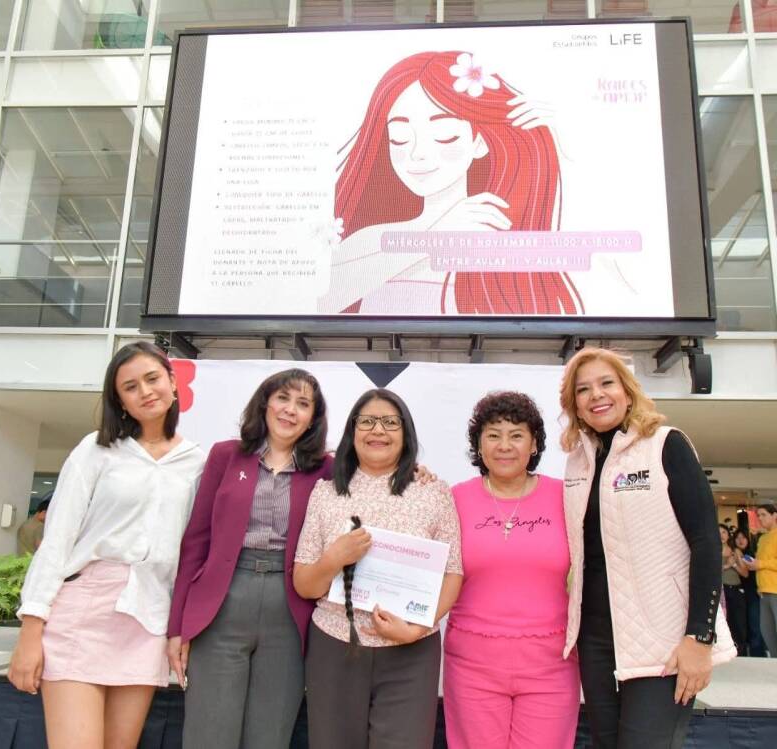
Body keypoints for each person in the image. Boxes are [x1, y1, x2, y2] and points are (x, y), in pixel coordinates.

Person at [8, 341, 205, 749]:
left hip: (148, 617)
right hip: (83, 611)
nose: (145, 391)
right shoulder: (96, 449)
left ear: (172, 382)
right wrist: (31, 629)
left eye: (152, 378)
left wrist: (180, 628)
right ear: (120, 401)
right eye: (130, 387)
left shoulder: (197, 462)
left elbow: (193, 554)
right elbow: (56, 540)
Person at [559, 347, 736, 749]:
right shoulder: (578, 463)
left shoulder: (666, 445)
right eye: (583, 389)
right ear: (575, 405)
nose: (596, 394)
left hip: (666, 641)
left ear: (627, 390)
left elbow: (706, 543)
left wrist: (700, 637)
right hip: (596, 640)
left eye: (606, 383)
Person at [319, 50, 582, 316]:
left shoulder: (507, 241)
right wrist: (432, 239)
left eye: (444, 136)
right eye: (399, 138)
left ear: (479, 142)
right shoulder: (374, 241)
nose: (418, 154)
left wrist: (567, 155)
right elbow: (319, 302)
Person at [167, 369, 332, 749]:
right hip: (222, 603)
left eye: (303, 404)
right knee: (209, 734)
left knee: (269, 736)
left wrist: (415, 472)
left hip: (290, 608)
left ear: (312, 418)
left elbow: (374, 476)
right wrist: (177, 627)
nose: (290, 410)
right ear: (265, 403)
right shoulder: (225, 456)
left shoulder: (325, 469)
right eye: (283, 398)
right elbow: (196, 543)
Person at [293, 388, 463, 749]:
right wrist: (333, 559)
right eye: (367, 421)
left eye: (390, 422)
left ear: (406, 432)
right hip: (335, 645)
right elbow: (304, 584)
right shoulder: (325, 493)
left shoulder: (434, 492)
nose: (378, 431)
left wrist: (416, 629)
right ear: (352, 431)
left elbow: (453, 572)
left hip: (411, 651)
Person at [443, 391, 579, 749]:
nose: (504, 446)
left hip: (551, 666)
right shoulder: (452, 499)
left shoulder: (566, 497)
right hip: (472, 665)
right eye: (493, 435)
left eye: (516, 435)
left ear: (534, 444)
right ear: (479, 445)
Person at [744, 504, 777, 656]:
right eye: (758, 515)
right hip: (763, 591)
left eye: (764, 514)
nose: (760, 518)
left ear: (774, 515)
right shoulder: (762, 538)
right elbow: (761, 563)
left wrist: (760, 564)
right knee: (767, 632)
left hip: (775, 590)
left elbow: (764, 563)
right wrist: (753, 565)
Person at [734, 528, 766, 656]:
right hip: (740, 593)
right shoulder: (733, 553)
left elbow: (747, 573)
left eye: (743, 537)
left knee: (755, 624)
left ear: (748, 539)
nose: (740, 540)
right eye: (737, 538)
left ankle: (758, 654)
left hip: (753, 593)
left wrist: (738, 558)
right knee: (745, 624)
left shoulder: (751, 554)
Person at [720, 523, 747, 655]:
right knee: (724, 623)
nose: (721, 535)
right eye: (718, 532)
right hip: (721, 591)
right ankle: (726, 653)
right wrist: (726, 566)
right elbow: (708, 571)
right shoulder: (712, 550)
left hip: (736, 590)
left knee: (739, 623)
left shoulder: (735, 551)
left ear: (728, 535)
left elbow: (745, 573)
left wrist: (734, 564)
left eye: (724, 532)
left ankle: (741, 653)